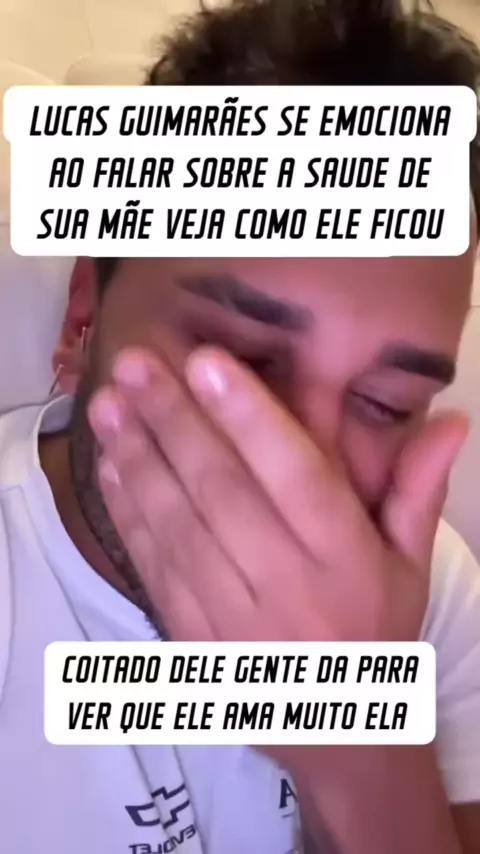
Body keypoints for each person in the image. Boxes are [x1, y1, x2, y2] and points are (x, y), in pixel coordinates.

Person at [1, 0, 480, 852]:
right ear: (85, 312)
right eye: (239, 362)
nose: (304, 469)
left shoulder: (426, 588)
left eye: (385, 402)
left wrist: (361, 751)